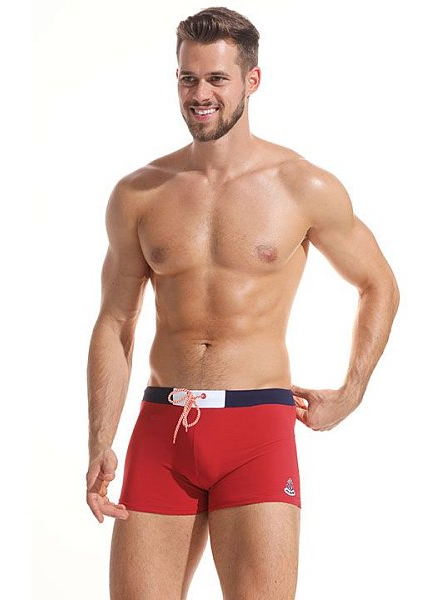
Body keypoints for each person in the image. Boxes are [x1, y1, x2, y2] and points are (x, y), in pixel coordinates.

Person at [86, 6, 400, 599]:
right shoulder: (139, 193)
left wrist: (351, 392)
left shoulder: (302, 186)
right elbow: (116, 322)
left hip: (257, 429)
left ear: (251, 80)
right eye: (188, 79)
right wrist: (100, 438)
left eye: (216, 79)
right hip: (162, 428)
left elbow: (378, 283)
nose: (200, 95)